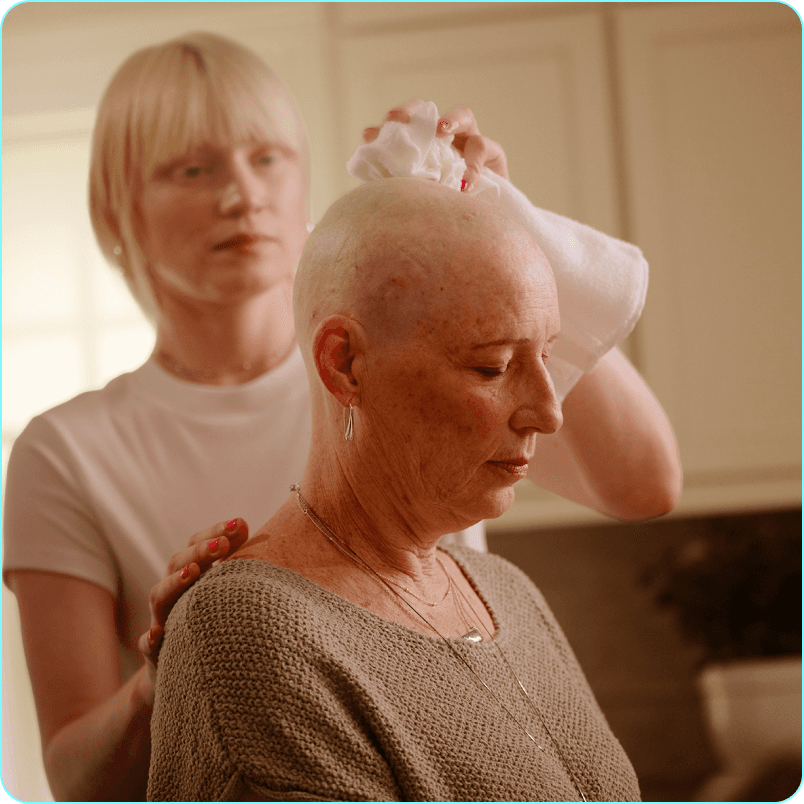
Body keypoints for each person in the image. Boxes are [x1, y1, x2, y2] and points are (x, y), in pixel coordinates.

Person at [2, 32, 680, 802]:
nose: (241, 195)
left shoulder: (416, 365)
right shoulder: (65, 452)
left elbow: (646, 485)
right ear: (118, 208)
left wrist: (505, 229)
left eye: (267, 158)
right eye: (192, 169)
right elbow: (74, 782)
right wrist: (170, 677)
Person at [148, 177, 643, 801]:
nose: (548, 413)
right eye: (491, 366)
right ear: (345, 363)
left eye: (546, 356)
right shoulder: (248, 633)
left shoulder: (507, 593)